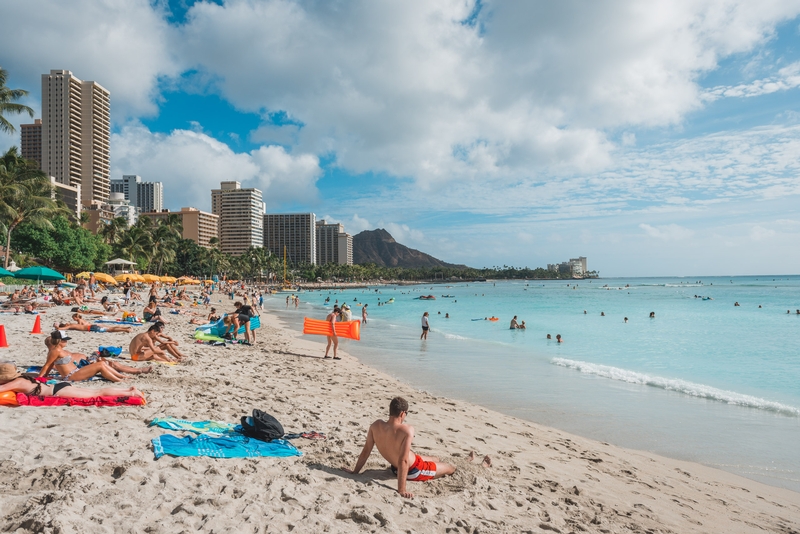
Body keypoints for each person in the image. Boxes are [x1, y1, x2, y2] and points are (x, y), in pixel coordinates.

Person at [343, 397, 460, 498]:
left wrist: (355, 472)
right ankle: (462, 462)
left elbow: (366, 451)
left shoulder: (375, 426)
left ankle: (443, 461)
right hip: (414, 470)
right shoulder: (406, 430)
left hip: (396, 468)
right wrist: (402, 490)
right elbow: (403, 461)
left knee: (435, 458)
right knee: (451, 467)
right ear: (402, 413)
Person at [0, 363, 144, 399]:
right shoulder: (22, 378)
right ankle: (128, 390)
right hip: (59, 386)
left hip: (57, 391)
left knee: (96, 394)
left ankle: (130, 393)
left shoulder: (16, 382)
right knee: (95, 392)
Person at [39, 331, 127, 382]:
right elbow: (48, 365)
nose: (67, 342)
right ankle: (119, 380)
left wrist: (45, 375)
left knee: (102, 363)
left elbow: (50, 365)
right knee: (100, 365)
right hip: (71, 376)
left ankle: (121, 377)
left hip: (75, 371)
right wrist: (40, 378)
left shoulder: (60, 350)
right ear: (60, 341)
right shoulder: (56, 351)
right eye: (65, 340)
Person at [54, 314, 133, 334]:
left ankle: (126, 329)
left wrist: (57, 326)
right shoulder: (70, 326)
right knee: (110, 328)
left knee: (111, 329)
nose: (67, 322)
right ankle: (125, 328)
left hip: (92, 328)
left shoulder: (70, 325)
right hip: (92, 327)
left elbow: (60, 329)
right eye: (65, 323)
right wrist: (58, 326)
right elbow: (61, 328)